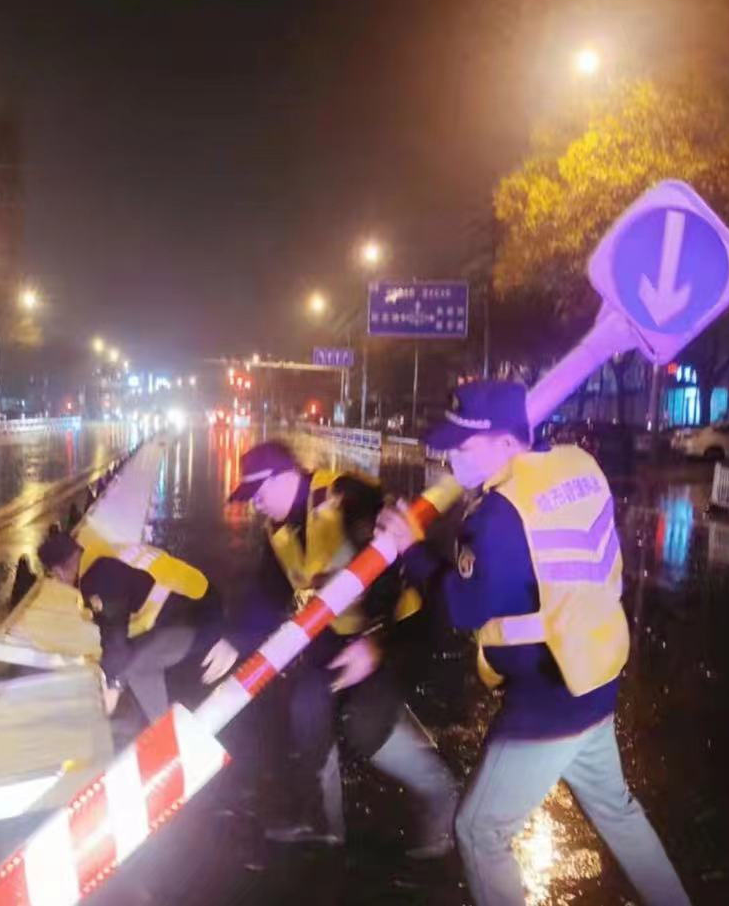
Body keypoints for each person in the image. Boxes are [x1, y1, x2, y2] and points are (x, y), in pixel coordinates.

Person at [373, 381, 690, 906]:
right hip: (595, 669)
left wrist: (410, 549)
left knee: (478, 831)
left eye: (463, 446)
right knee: (618, 811)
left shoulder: (499, 515)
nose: (452, 457)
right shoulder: (576, 466)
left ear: (505, 442)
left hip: (548, 696)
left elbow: (463, 608)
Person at [220, 440, 457, 853]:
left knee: (364, 726)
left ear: (285, 477)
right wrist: (234, 639)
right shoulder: (279, 528)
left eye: (259, 492)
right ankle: (323, 822)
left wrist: (374, 641)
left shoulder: (347, 496)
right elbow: (267, 591)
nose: (256, 504)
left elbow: (389, 568)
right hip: (339, 635)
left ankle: (444, 797)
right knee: (307, 707)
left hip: (396, 629)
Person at [38, 529, 215, 722]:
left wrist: (112, 686)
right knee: (128, 660)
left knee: (135, 666)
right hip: (194, 609)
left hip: (192, 622)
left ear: (59, 571)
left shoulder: (97, 577)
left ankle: (164, 729)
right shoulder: (106, 557)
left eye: (55, 576)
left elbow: (115, 635)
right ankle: (163, 723)